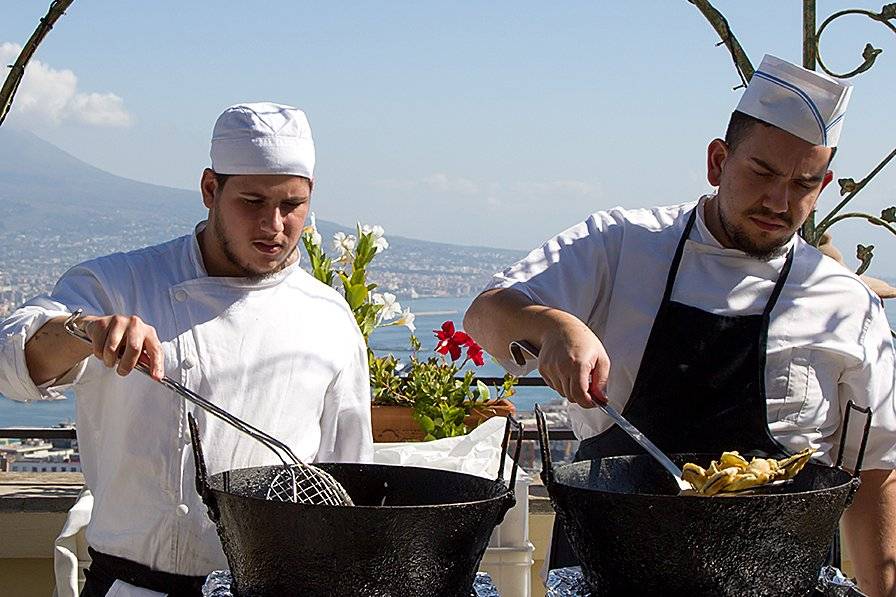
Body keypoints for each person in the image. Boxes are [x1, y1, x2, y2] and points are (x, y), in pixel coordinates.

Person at [464, 55, 896, 597]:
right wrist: (551, 325)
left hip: (779, 578)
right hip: (608, 569)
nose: (779, 202)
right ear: (718, 161)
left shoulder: (845, 304)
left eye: (804, 185)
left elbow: (875, 467)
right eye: (762, 173)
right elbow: (486, 312)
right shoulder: (620, 244)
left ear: (824, 184)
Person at [0, 102, 373, 596]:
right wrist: (85, 330)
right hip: (131, 586)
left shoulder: (328, 316)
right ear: (210, 190)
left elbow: (348, 476)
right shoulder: (119, 283)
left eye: (292, 205)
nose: (274, 225)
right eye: (253, 202)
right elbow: (11, 364)